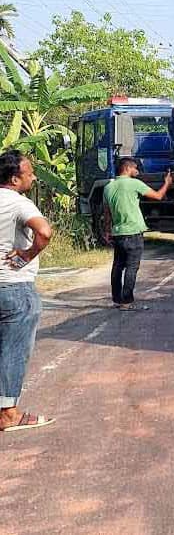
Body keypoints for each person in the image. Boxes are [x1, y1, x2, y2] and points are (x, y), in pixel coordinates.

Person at [0, 151, 54, 432]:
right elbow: (44, 232)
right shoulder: (18, 202)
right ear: (14, 178)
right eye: (29, 172)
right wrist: (27, 254)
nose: (33, 176)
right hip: (14, 287)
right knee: (13, 350)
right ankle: (8, 413)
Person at [103, 158, 173, 311]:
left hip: (118, 233)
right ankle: (127, 302)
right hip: (133, 232)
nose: (138, 172)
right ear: (127, 168)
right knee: (132, 268)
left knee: (117, 267)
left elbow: (107, 213)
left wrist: (107, 231)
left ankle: (117, 300)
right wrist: (167, 183)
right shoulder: (134, 184)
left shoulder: (108, 187)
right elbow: (158, 196)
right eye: (135, 169)